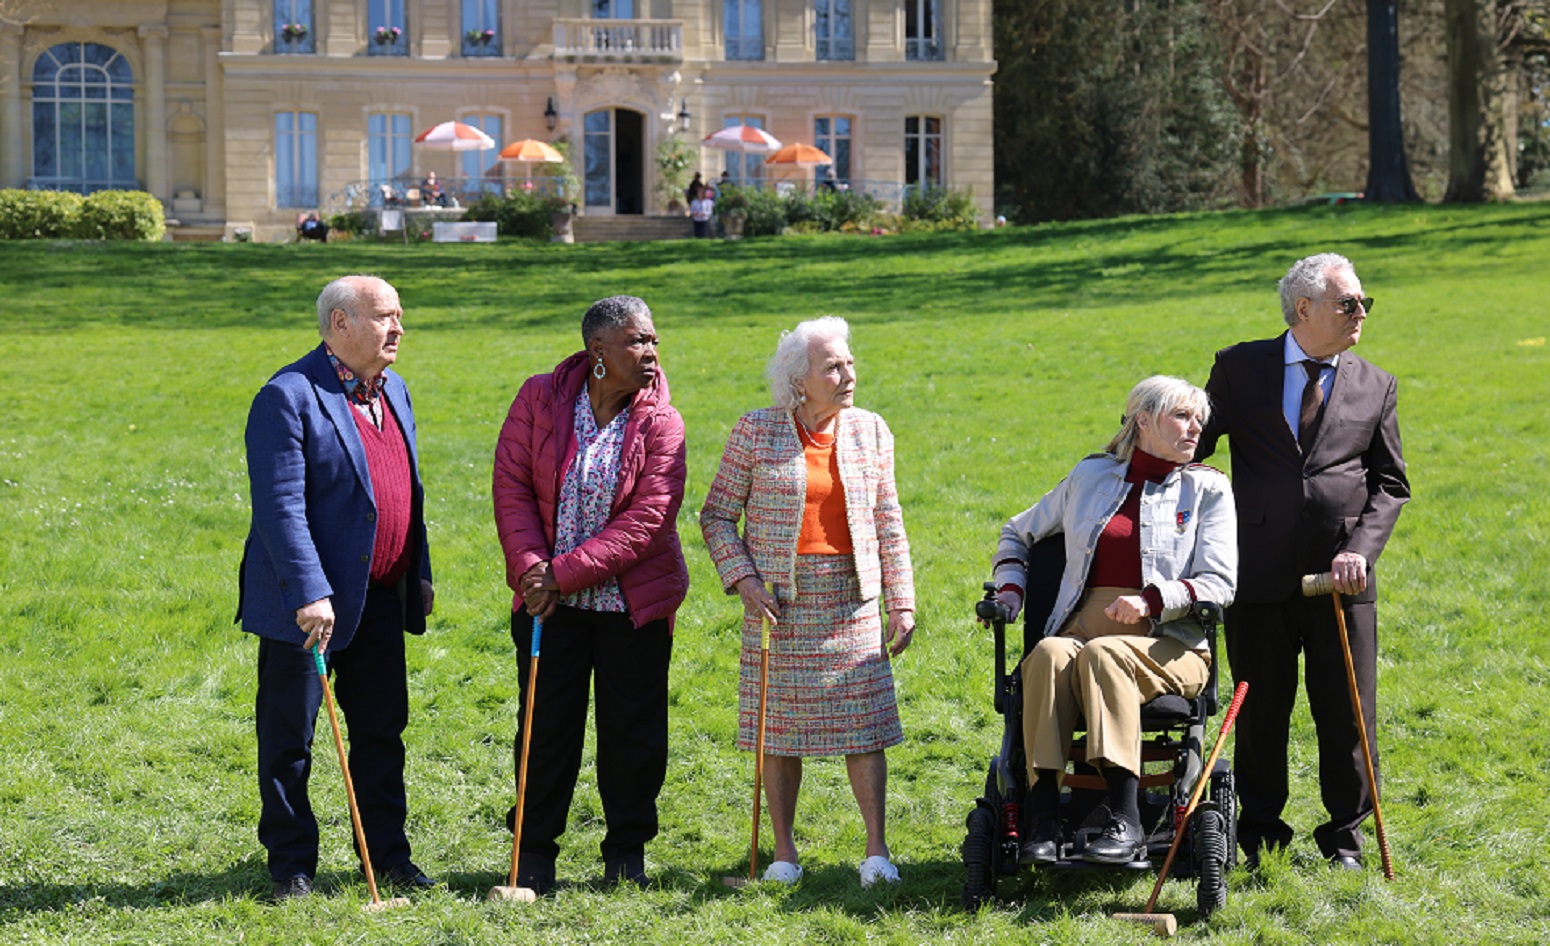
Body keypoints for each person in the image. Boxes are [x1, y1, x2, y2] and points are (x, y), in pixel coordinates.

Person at [1196, 253, 1409, 870]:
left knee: (1346, 710)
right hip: (1255, 572)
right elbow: (1193, 442)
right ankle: (1261, 833)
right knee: (1260, 709)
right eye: (1349, 304)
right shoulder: (1238, 368)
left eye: (1365, 302)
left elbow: (1391, 484)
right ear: (1304, 309)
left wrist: (1360, 553)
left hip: (1341, 580)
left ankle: (1346, 837)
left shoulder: (1376, 383)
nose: (1361, 313)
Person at [237, 274, 437, 902]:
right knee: (290, 740)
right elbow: (279, 507)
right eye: (385, 317)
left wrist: (416, 570)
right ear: (340, 324)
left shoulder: (394, 389)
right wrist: (309, 592)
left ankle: (388, 857)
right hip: (307, 606)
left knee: (382, 732)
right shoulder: (287, 396)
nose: (398, 328)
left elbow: (405, 486)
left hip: (379, 594)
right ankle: (292, 866)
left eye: (400, 316)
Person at [700, 316, 916, 888]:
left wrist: (903, 602)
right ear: (800, 381)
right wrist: (743, 580)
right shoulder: (755, 431)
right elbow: (717, 515)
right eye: (833, 367)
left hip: (853, 599)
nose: (847, 375)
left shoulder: (872, 430)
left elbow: (888, 522)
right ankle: (783, 857)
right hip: (779, 604)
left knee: (864, 726)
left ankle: (877, 855)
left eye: (849, 363)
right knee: (779, 730)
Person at [990, 376, 1237, 866]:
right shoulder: (1091, 477)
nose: (1196, 429)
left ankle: (1126, 820)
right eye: (1182, 417)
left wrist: (1152, 600)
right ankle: (1041, 818)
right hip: (1084, 630)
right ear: (1143, 420)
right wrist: (1011, 588)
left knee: (1106, 656)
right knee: (1046, 654)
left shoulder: (1207, 489)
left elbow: (1219, 582)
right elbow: (1018, 530)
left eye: (1199, 420)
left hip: (1173, 643)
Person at [492, 295, 689, 893]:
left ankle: (626, 852)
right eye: (637, 341)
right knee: (544, 732)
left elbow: (647, 521)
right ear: (598, 351)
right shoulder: (539, 398)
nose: (651, 352)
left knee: (633, 735)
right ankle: (532, 854)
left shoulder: (661, 421)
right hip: (549, 607)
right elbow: (512, 485)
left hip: (632, 608)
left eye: (654, 340)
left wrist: (561, 573)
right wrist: (531, 569)